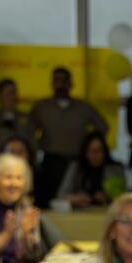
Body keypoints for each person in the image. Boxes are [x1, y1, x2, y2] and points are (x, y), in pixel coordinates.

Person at [30, 67, 109, 209]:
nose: (60, 84)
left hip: (77, 162)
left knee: (77, 202)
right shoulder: (42, 107)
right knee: (48, 201)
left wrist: (89, 143)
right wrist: (40, 144)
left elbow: (103, 127)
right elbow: (29, 131)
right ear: (52, 83)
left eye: (64, 80)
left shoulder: (83, 107)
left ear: (70, 83)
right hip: (51, 162)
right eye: (57, 80)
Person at [56, 130, 127, 209]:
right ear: (85, 152)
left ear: (105, 151)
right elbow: (61, 196)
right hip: (80, 215)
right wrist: (75, 199)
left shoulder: (115, 168)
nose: (96, 155)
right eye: (92, 151)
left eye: (99, 150)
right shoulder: (77, 167)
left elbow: (124, 198)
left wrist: (108, 197)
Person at [0, 78, 36, 165]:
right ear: (0, 95)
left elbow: (33, 145)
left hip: (23, 166)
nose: (13, 97)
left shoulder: (26, 118)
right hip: (1, 166)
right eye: (9, 93)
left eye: (14, 93)